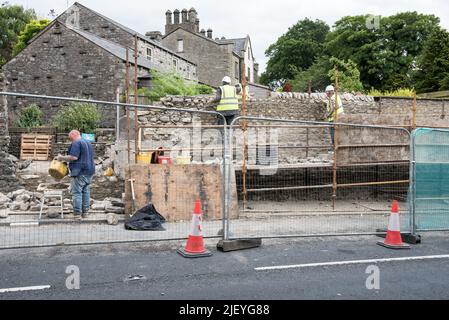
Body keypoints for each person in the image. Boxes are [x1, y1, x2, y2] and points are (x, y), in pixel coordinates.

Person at [56, 130, 95, 220]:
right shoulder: (87, 142)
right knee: (86, 191)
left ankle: (77, 214)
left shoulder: (76, 143)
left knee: (77, 193)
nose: (70, 140)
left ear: (74, 134)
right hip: (89, 171)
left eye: (70, 138)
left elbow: (74, 157)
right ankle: (85, 213)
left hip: (79, 171)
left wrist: (61, 158)